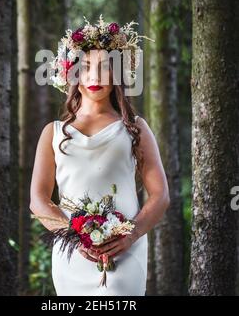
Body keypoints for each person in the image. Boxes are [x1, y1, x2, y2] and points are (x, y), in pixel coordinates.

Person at [30, 15, 170, 296]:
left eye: (105, 68)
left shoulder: (135, 128)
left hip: (124, 253)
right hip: (72, 255)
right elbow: (38, 200)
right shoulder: (53, 133)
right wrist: (73, 235)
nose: (95, 77)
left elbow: (161, 196)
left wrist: (130, 235)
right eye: (86, 68)